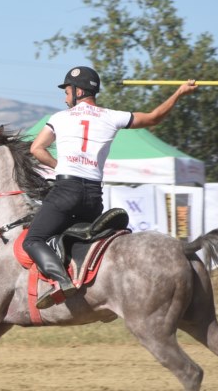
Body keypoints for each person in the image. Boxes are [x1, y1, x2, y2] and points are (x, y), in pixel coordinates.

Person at [23, 66, 198, 309]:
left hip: (66, 191)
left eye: (66, 91)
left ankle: (61, 280)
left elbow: (36, 149)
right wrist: (179, 92)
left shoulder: (58, 119)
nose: (64, 97)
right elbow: (155, 117)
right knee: (81, 239)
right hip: (94, 198)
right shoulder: (111, 116)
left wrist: (60, 165)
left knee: (33, 240)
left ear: (78, 91)